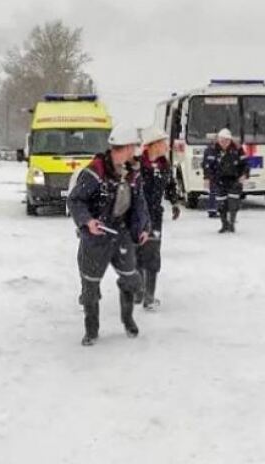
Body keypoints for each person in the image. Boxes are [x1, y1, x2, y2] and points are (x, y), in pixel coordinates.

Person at [68, 124, 151, 346]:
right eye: (133, 147)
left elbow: (139, 204)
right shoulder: (94, 172)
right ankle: (91, 329)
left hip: (121, 234)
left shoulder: (132, 173)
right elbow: (75, 200)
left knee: (131, 279)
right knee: (90, 287)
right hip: (96, 238)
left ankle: (127, 318)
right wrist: (87, 221)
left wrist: (143, 227)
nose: (135, 151)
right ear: (121, 149)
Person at [136, 127, 181, 311]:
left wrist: (175, 202)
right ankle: (138, 289)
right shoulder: (137, 165)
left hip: (155, 216)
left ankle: (149, 296)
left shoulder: (165, 164)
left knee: (153, 255)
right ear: (153, 145)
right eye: (163, 143)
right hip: (136, 217)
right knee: (137, 254)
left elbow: (170, 186)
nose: (166, 146)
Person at [201, 128, 251, 234]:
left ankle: (231, 223)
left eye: (226, 141)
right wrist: (207, 178)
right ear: (218, 139)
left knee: (233, 203)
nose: (224, 143)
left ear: (230, 140)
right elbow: (206, 166)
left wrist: (245, 174)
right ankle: (224, 224)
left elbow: (245, 163)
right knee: (221, 204)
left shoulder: (237, 149)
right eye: (222, 140)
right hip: (218, 180)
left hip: (234, 179)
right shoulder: (211, 150)